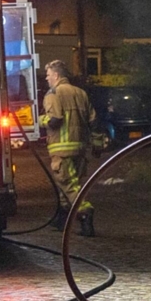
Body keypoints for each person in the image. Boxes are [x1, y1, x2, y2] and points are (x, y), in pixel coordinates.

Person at [40, 60, 97, 237]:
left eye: (48, 75)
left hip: (61, 149)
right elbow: (93, 121)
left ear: (56, 75)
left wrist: (40, 120)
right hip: (80, 148)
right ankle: (62, 219)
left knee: (69, 185)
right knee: (69, 184)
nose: (47, 79)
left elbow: (55, 119)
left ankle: (85, 213)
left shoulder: (53, 93)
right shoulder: (81, 93)